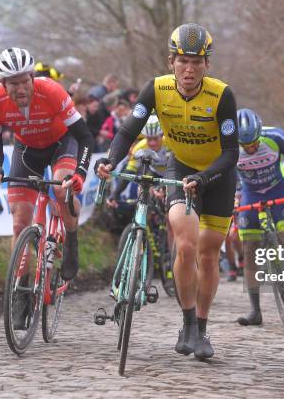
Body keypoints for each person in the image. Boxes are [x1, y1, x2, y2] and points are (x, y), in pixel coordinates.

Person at [96, 23, 238, 360]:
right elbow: (129, 129)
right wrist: (111, 160)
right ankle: (187, 322)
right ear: (170, 61)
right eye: (182, 61)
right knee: (186, 246)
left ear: (207, 65)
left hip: (217, 175)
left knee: (207, 254)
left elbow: (231, 152)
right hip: (182, 169)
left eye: (197, 62)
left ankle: (202, 329)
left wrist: (205, 178)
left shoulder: (221, 95)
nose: (189, 69)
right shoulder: (156, 89)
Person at [0, 47, 95, 289]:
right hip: (27, 150)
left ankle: (72, 238)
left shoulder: (52, 91)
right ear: (3, 84)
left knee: (63, 187)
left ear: (32, 77)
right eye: (14, 84)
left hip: (62, 143)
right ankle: (19, 288)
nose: (21, 89)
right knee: (19, 221)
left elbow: (85, 137)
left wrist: (81, 173)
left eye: (25, 81)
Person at [233, 108, 284, 325]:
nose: (250, 148)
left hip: (277, 189)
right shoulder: (229, 145)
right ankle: (255, 310)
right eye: (245, 145)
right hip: (250, 192)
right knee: (250, 248)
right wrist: (234, 197)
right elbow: (225, 172)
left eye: (253, 143)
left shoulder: (275, 137)